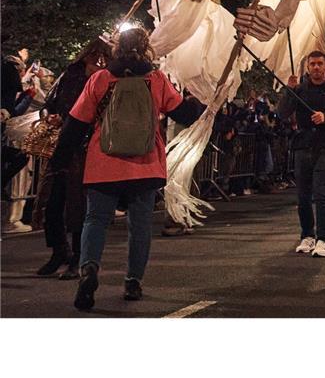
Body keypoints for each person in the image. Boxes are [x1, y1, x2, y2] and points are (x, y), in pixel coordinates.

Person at [50, 27, 200, 310]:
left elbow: (75, 125)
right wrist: (201, 102)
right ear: (146, 49)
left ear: (117, 48)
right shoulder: (156, 80)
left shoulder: (100, 79)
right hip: (145, 166)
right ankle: (133, 281)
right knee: (140, 227)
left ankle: (89, 269)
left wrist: (59, 160)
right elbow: (184, 114)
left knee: (95, 220)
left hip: (102, 164)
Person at [33, 37, 111, 279]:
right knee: (52, 203)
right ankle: (59, 252)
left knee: (78, 206)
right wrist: (52, 116)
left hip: (87, 148)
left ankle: (78, 257)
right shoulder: (70, 74)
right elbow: (49, 103)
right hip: (64, 146)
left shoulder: (105, 79)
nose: (96, 59)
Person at [278, 50, 325, 258]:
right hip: (303, 146)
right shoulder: (299, 89)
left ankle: (324, 239)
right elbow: (282, 113)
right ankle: (307, 235)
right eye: (313, 64)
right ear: (308, 67)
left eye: (320, 64)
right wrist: (288, 90)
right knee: (303, 196)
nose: (316, 67)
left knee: (321, 194)